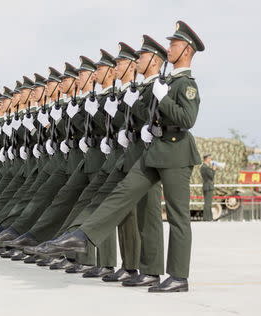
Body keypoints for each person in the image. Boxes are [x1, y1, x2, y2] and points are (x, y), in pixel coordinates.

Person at [42, 20, 205, 293]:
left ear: (186, 50)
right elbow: (141, 116)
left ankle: (178, 276)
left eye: (173, 45)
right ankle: (83, 236)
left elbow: (187, 119)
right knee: (122, 192)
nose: (169, 49)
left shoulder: (185, 84)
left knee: (178, 217)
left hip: (176, 152)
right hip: (154, 150)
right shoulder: (164, 82)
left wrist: (163, 98)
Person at [200, 154, 216, 221]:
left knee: (208, 203)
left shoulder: (204, 167)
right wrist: (213, 170)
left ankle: (209, 218)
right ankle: (207, 218)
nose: (210, 160)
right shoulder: (205, 167)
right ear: (206, 159)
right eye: (209, 158)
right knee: (208, 203)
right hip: (208, 186)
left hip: (207, 186)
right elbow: (211, 176)